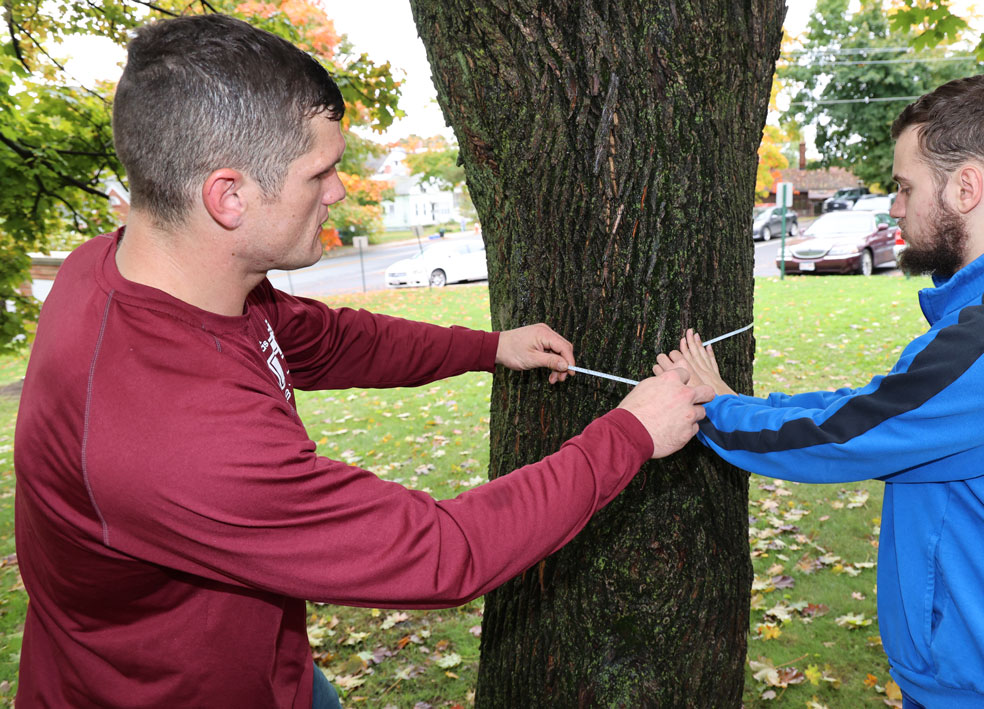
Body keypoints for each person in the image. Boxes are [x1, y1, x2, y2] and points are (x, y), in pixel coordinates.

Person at [13, 14, 712, 708]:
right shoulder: (178, 436)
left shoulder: (118, 269)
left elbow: (328, 339)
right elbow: (445, 552)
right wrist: (630, 434)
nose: (340, 190)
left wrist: (488, 348)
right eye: (319, 171)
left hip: (262, 666)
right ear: (228, 196)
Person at [657, 74, 984, 707]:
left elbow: (847, 432)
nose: (894, 206)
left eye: (906, 186)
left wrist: (712, 411)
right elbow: (888, 403)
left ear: (967, 187)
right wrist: (737, 402)